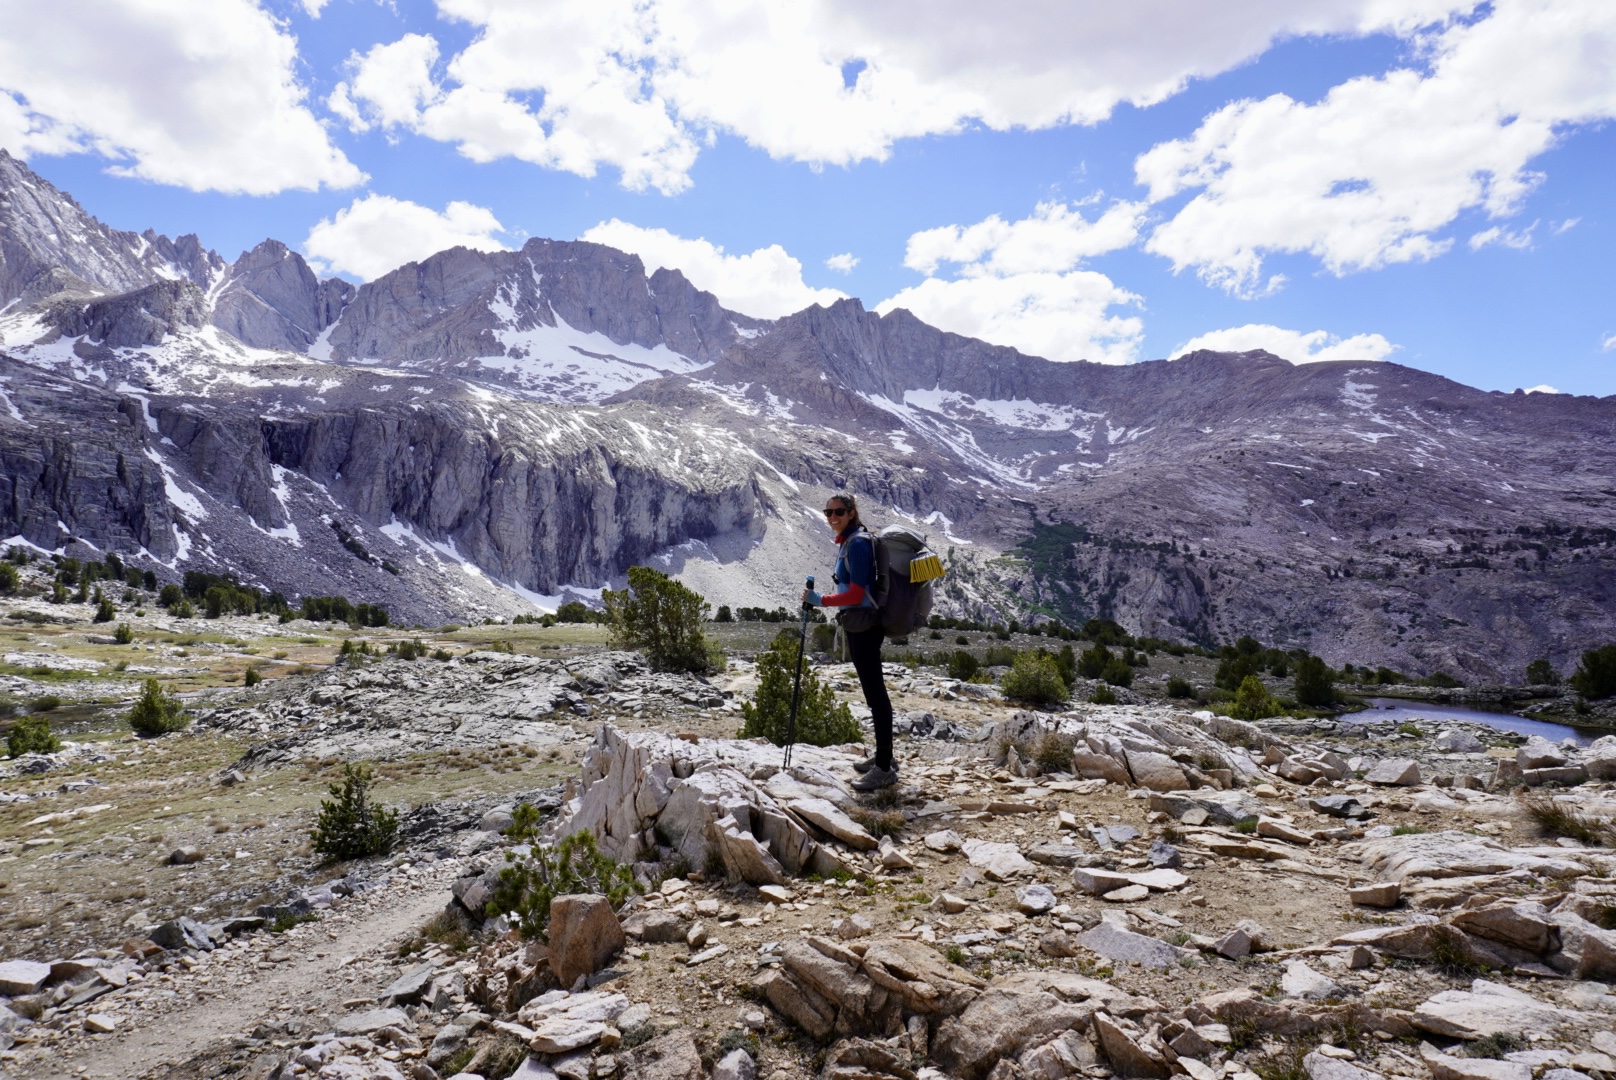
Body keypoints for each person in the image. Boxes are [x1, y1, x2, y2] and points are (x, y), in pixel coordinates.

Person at [802, 493, 897, 791]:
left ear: (852, 513)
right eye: (828, 512)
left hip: (864, 625)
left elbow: (856, 594)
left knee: (875, 694)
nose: (832, 517)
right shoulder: (853, 540)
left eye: (839, 512)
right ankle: (885, 758)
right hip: (862, 624)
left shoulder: (856, 544)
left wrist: (820, 600)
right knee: (873, 693)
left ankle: (883, 769)